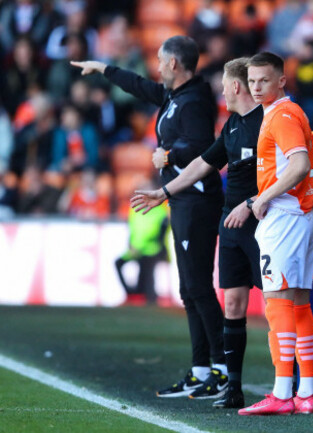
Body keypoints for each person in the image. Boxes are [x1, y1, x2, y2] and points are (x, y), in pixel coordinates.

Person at [71, 36, 228, 398]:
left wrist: (170, 156)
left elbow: (203, 145)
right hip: (182, 200)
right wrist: (104, 69)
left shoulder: (194, 101)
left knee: (198, 287)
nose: (156, 66)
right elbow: (141, 87)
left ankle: (221, 369)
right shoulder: (176, 95)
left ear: (175, 64)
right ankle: (201, 369)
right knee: (189, 289)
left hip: (197, 201)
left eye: (160, 60)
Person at [131, 57, 263, 408]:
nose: (221, 88)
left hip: (262, 222)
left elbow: (292, 165)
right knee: (209, 294)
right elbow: (205, 161)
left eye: (225, 83)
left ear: (236, 85)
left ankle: (287, 382)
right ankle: (216, 374)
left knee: (276, 303)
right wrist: (164, 192)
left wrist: (255, 202)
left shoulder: (270, 120)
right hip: (227, 219)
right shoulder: (233, 124)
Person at [237, 52, 313, 416]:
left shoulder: (282, 115)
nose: (256, 87)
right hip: (300, 217)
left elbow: (300, 164)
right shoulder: (290, 112)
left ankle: (283, 393)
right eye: (252, 81)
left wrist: (262, 198)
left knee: (278, 304)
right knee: (299, 303)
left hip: (284, 218)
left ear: (281, 80)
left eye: (264, 80)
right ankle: (306, 393)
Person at [115, 197, 168, 305]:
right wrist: (131, 246)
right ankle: (131, 293)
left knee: (147, 276)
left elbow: (160, 232)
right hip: (135, 249)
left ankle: (150, 300)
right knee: (118, 263)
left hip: (151, 250)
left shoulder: (159, 210)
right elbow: (132, 228)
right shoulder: (134, 208)